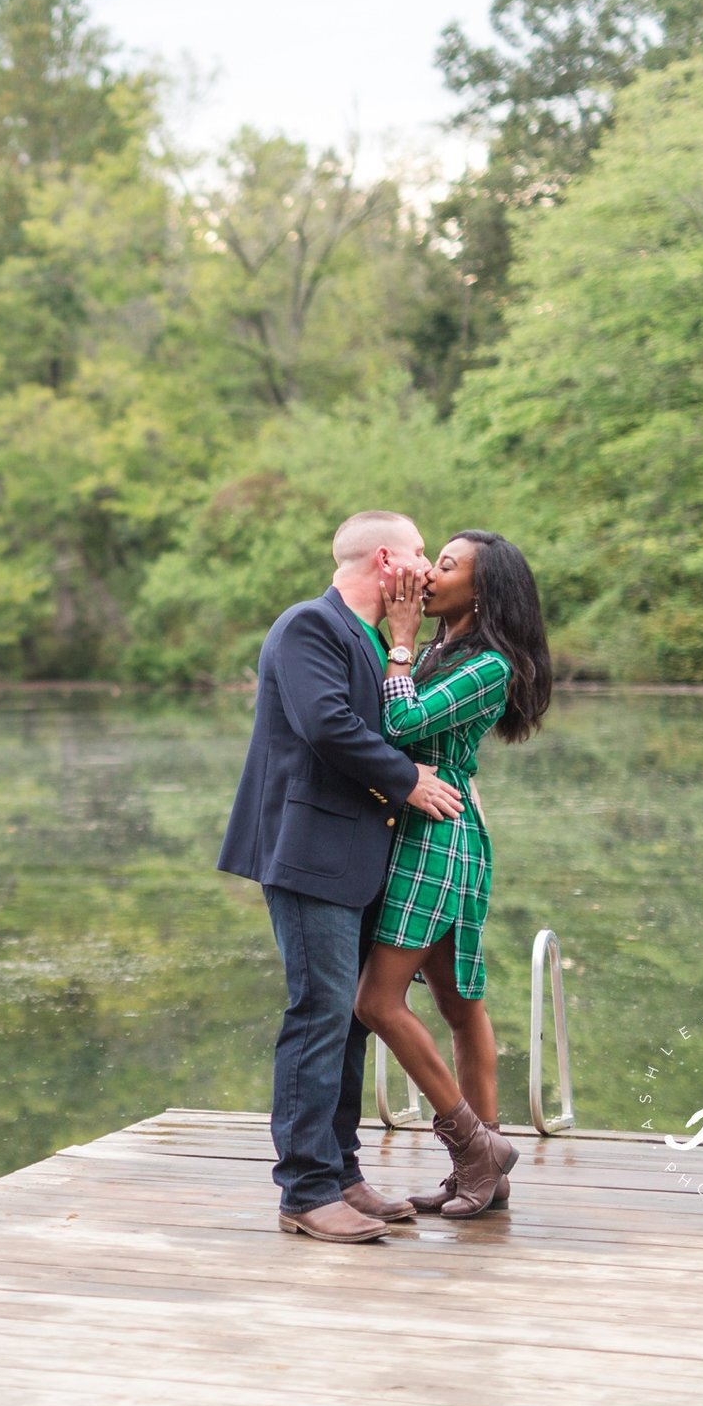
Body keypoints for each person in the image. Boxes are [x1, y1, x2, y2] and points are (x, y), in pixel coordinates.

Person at [218, 511, 468, 1245]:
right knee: (319, 1011)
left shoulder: (371, 636)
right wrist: (408, 780)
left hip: (360, 855)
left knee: (351, 1016)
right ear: (387, 558)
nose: (427, 565)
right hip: (308, 853)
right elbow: (327, 725)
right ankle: (304, 1189)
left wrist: (401, 644)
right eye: (421, 552)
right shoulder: (309, 627)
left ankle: (343, 1173)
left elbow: (388, 715)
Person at [352, 530, 554, 1218]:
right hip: (427, 829)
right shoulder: (448, 650)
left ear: (483, 588)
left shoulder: (492, 665)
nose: (429, 574)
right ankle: (488, 1173)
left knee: (377, 1003)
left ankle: (474, 1151)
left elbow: (403, 723)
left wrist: (399, 638)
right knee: (457, 1006)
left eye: (446, 565)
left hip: (436, 839)